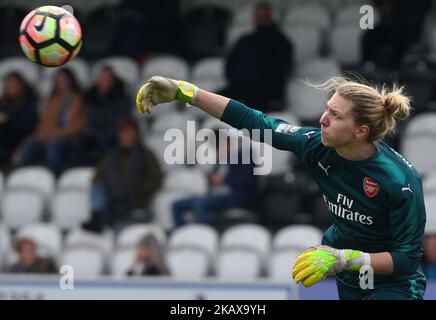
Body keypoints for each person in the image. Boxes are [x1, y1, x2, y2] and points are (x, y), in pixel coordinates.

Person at [135, 75, 427, 300]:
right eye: (327, 109)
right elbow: (254, 121)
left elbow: (406, 260)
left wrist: (345, 258)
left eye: (336, 116)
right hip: (350, 274)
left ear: (361, 131)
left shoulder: (399, 182)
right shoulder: (316, 144)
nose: (323, 119)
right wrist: (186, 91)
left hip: (395, 284)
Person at [82, 118, 163, 233]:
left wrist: (139, 190)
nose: (126, 136)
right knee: (97, 187)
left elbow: (156, 179)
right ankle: (97, 216)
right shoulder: (110, 156)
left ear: (136, 135)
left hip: (136, 200)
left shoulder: (146, 155)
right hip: (112, 199)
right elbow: (98, 177)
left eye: (129, 133)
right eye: (123, 133)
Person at [172, 129, 257, 227]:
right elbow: (213, 179)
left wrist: (224, 180)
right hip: (217, 196)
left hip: (238, 197)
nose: (216, 150)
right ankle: (183, 235)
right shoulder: (221, 160)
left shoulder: (244, 155)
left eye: (218, 146)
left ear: (227, 142)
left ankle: (204, 236)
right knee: (177, 205)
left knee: (199, 204)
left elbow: (248, 181)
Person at [220, 2, 293, 112]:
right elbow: (230, 66)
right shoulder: (244, 40)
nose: (261, 19)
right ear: (254, 17)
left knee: (252, 109)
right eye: (259, 15)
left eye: (265, 16)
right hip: (241, 87)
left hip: (267, 91)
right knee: (214, 100)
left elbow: (281, 70)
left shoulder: (281, 42)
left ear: (270, 17)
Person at [12, 68, 85, 176]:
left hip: (70, 137)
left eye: (64, 80)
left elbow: (79, 125)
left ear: (71, 81)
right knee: (28, 148)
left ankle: (56, 179)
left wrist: (55, 134)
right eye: (58, 81)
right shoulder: (52, 100)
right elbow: (43, 123)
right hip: (48, 136)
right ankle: (24, 177)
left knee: (53, 150)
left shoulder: (79, 99)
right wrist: (42, 135)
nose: (61, 83)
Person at [82, 66, 131, 164]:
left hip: (112, 135)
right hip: (92, 134)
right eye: (102, 78)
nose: (104, 81)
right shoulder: (89, 97)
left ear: (113, 81)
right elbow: (88, 119)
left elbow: (119, 121)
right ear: (97, 80)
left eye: (108, 79)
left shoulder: (121, 98)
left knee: (105, 142)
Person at [0, 72, 38, 171]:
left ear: (21, 85)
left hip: (19, 143)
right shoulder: (3, 102)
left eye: (14, 83)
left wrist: (8, 120)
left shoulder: (28, 103)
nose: (12, 86)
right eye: (9, 84)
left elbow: (29, 129)